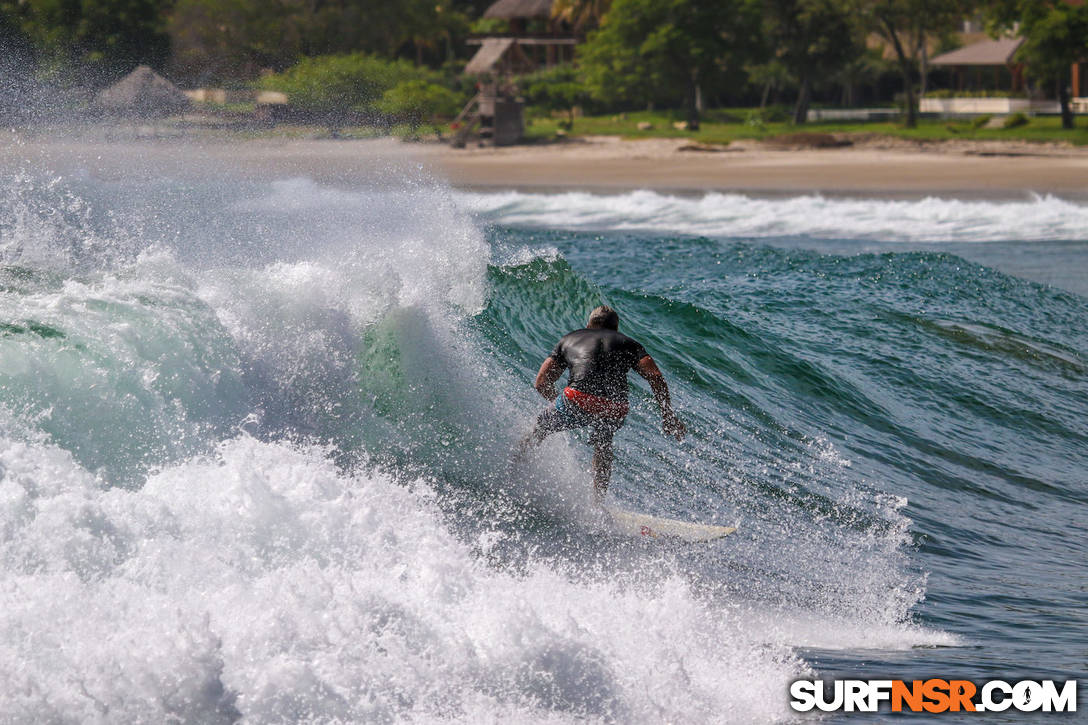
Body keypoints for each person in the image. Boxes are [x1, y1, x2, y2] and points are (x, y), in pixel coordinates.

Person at [515, 305, 685, 499]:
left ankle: (514, 471)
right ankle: (598, 503)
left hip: (577, 399)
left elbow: (541, 382)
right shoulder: (630, 344)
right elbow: (656, 377)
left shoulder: (570, 339)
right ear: (616, 328)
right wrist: (667, 416)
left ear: (588, 324)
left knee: (539, 428)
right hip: (615, 408)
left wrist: (563, 405)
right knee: (603, 444)